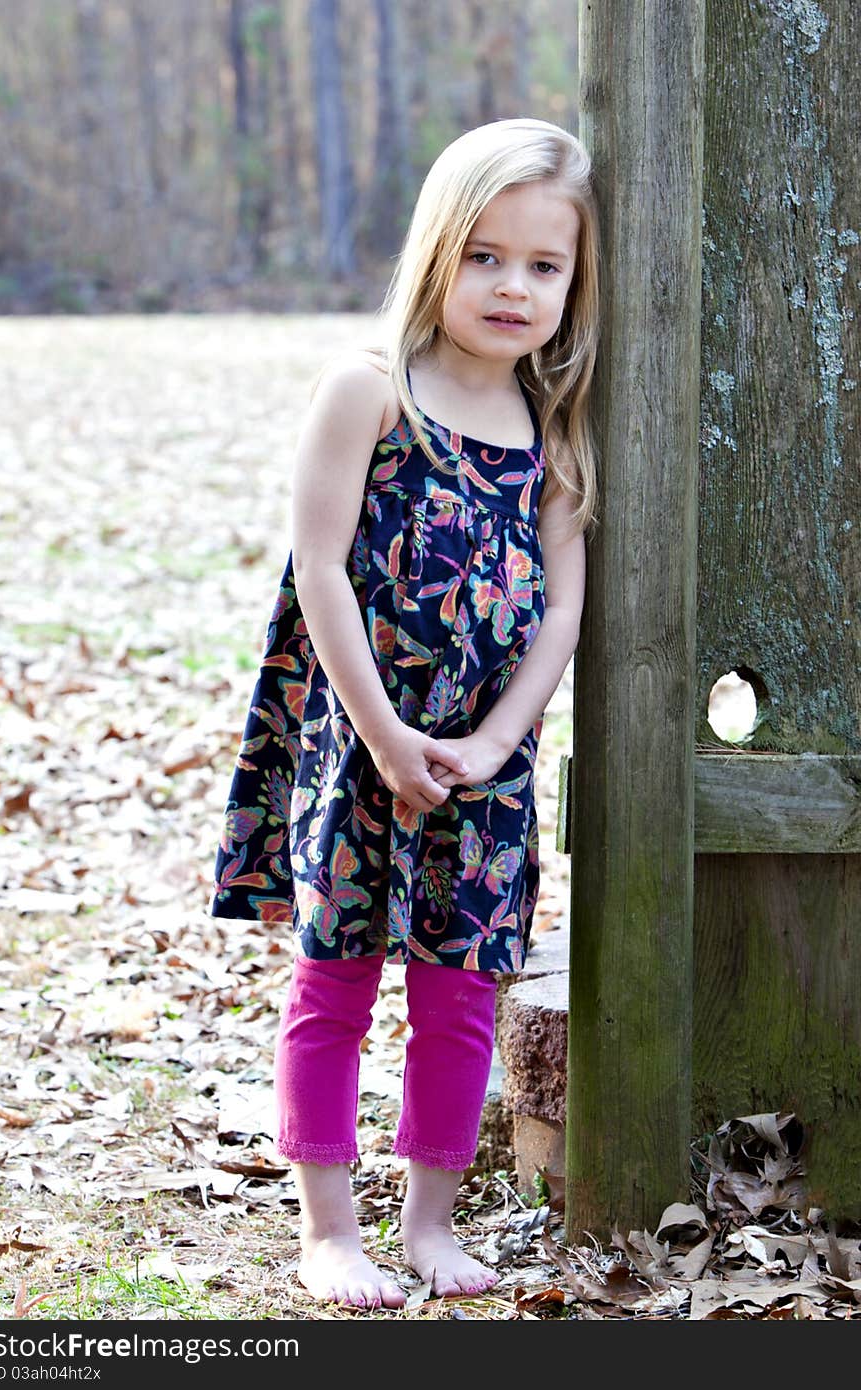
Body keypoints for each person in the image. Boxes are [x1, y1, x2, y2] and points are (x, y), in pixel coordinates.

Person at [210, 116, 600, 1310]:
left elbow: (560, 617)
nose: (512, 285)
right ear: (438, 248)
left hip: (484, 767)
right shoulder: (369, 391)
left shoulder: (556, 432)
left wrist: (493, 742)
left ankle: (430, 1220)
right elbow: (318, 569)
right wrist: (383, 736)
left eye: (544, 265)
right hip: (359, 746)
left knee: (460, 996)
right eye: (485, 254)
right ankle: (328, 1227)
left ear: (574, 280)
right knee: (334, 983)